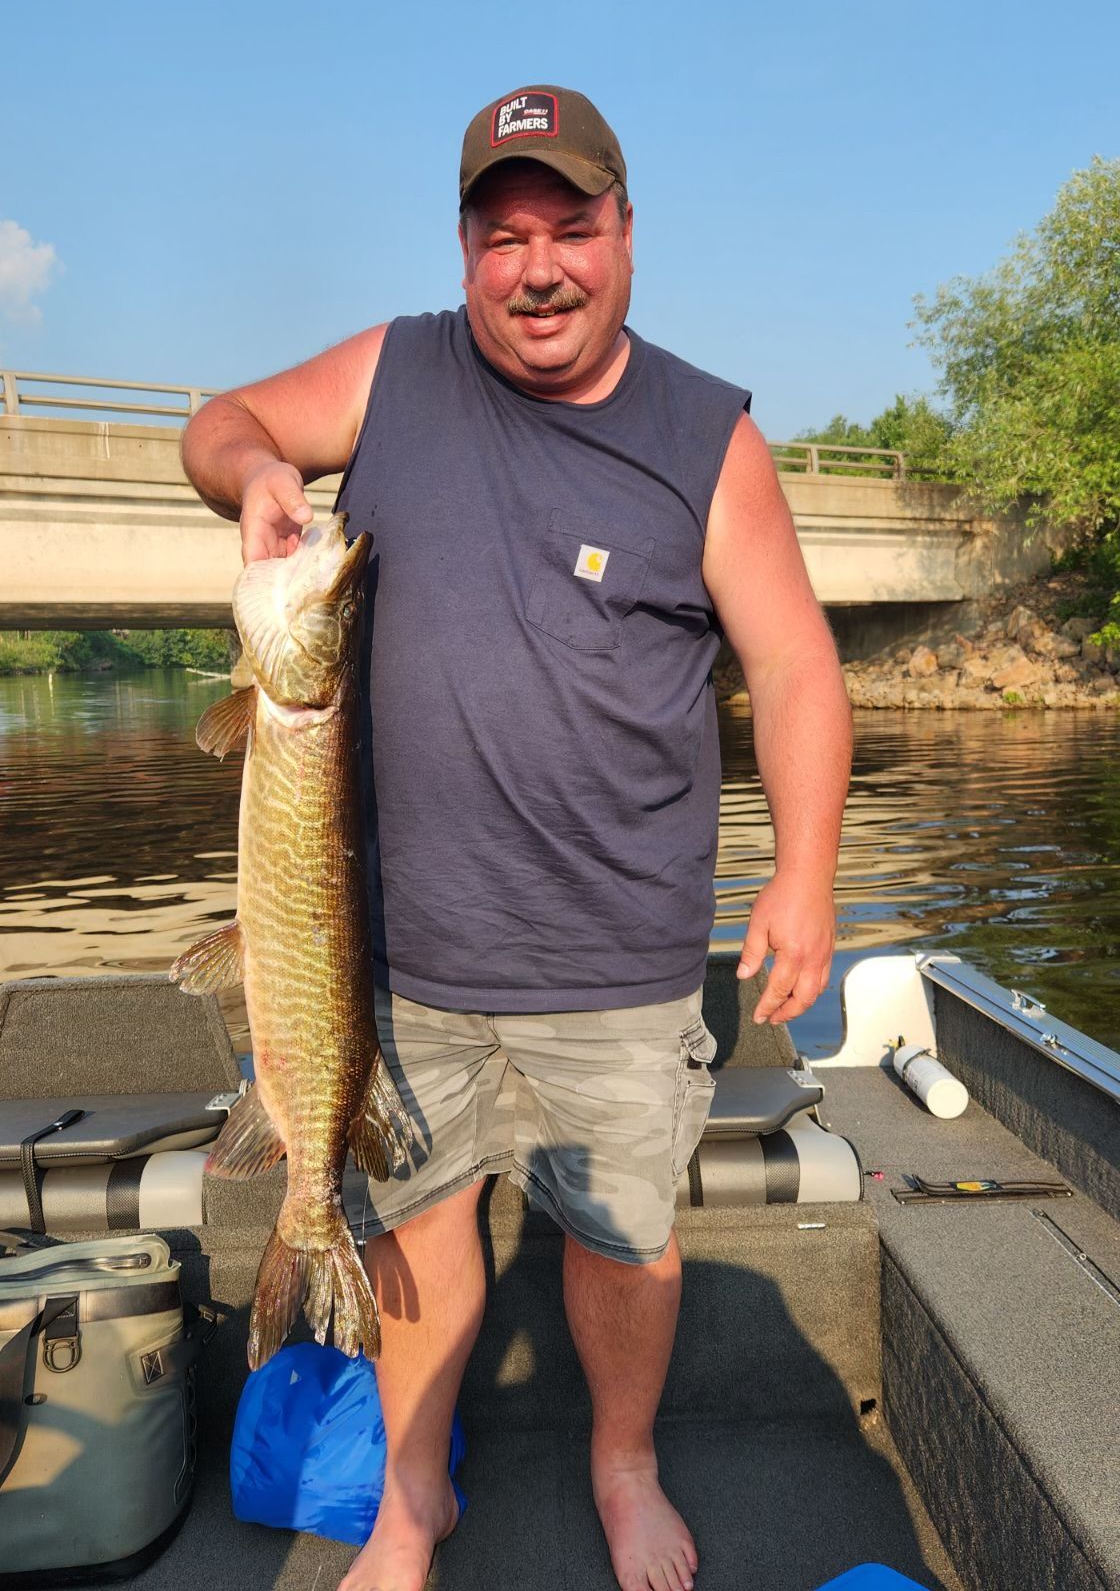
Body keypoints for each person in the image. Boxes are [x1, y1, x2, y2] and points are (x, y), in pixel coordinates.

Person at [181, 84, 851, 1591]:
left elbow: (799, 665)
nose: (537, 267)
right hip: (398, 954)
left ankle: (623, 1463)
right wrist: (262, 475)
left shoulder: (707, 435)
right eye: (504, 234)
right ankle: (411, 1500)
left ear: (626, 234)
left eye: (572, 228)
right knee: (418, 1228)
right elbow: (216, 422)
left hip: (616, 953)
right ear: (467, 246)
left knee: (623, 1244)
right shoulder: (398, 370)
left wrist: (805, 871)